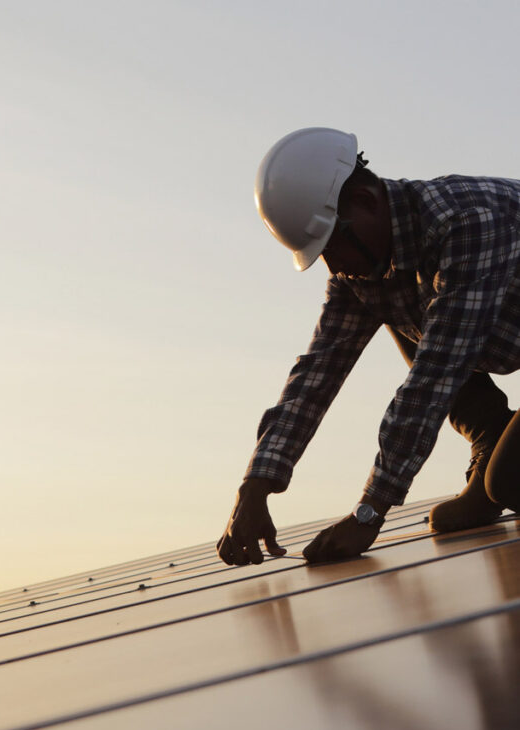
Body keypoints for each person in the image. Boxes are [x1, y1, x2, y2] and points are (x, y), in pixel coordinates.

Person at [217, 127, 520, 567]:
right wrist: (255, 486)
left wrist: (369, 511)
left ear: (366, 202)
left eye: (332, 243)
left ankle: (503, 465)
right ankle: (491, 439)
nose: (333, 265)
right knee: (399, 300)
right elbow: (317, 374)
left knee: (512, 479)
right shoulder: (358, 270)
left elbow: (436, 375)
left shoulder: (467, 221)